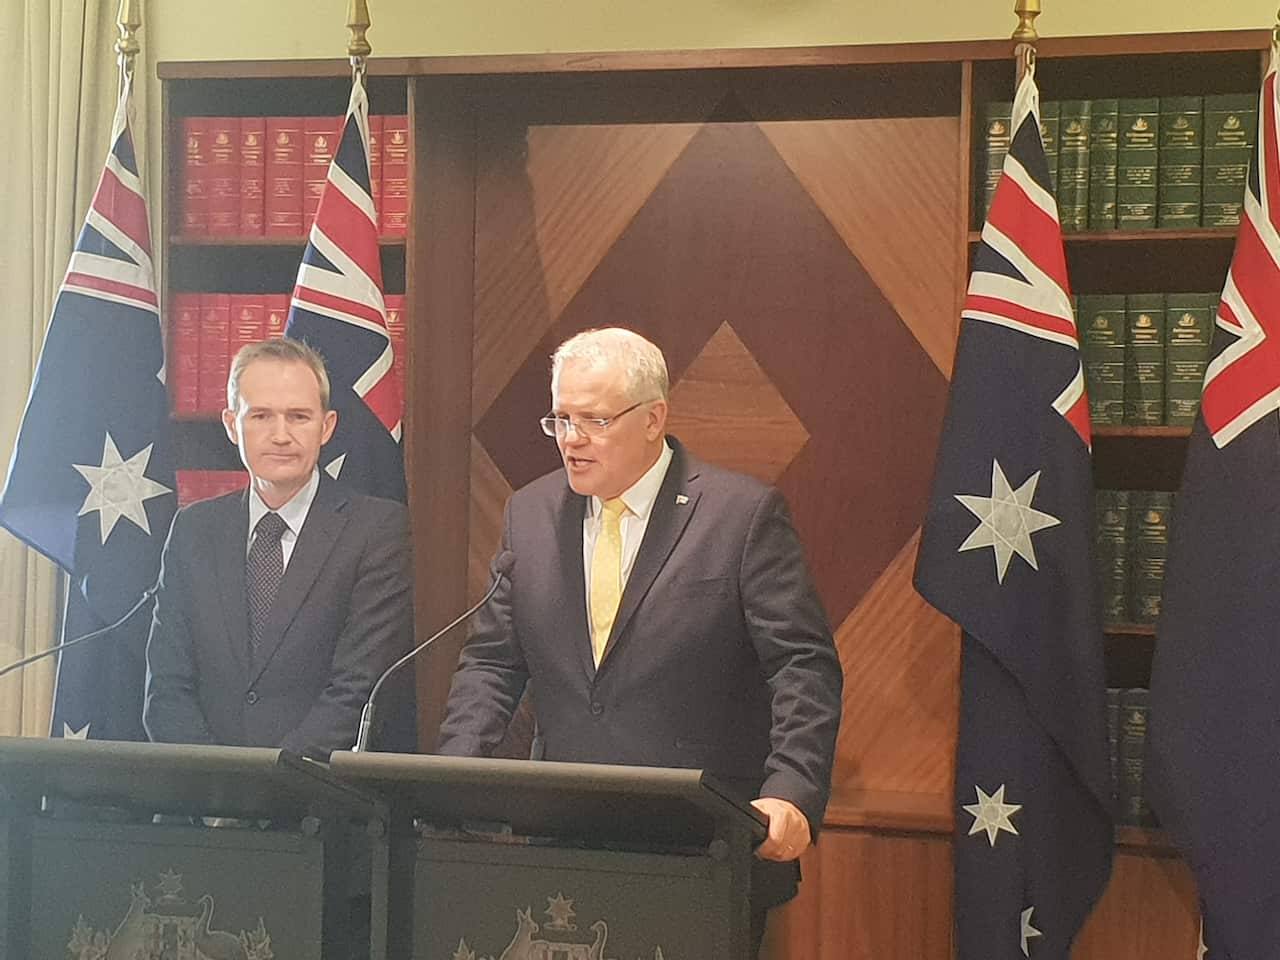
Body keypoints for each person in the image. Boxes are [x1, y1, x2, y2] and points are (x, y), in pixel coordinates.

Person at [436, 327, 843, 952]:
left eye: (594, 421)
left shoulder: (740, 516)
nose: (572, 441)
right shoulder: (530, 513)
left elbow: (802, 668)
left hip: (702, 846)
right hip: (562, 840)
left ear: (654, 418)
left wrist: (791, 791)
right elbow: (492, 663)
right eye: (561, 419)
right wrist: (455, 776)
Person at [144, 338, 414, 757]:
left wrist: (268, 787)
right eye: (262, 416)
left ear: (327, 427)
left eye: (299, 417)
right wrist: (211, 787)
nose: (281, 435)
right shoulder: (193, 530)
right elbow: (167, 686)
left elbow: (355, 690)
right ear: (233, 425)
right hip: (202, 804)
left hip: (317, 804)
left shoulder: (376, 531)